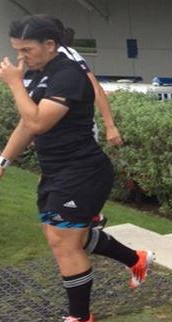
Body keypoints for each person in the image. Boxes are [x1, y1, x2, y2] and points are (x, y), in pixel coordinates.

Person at [0, 15, 153, 322]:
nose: (21, 58)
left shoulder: (68, 75)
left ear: (50, 45)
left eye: (27, 50)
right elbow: (26, 124)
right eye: (17, 51)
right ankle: (135, 259)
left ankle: (80, 319)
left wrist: (13, 83)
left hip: (82, 171)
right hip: (57, 170)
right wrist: (4, 160)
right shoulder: (40, 75)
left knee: (64, 241)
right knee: (65, 237)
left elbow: (38, 122)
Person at [51, 18, 123, 229]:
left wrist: (110, 126)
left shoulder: (68, 55)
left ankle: (92, 219)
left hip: (78, 133)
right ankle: (86, 221)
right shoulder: (41, 63)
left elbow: (96, 89)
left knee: (70, 183)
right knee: (51, 190)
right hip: (55, 137)